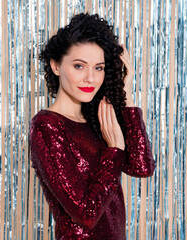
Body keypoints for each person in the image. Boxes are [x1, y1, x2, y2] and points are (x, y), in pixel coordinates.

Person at [30, 13, 155, 240]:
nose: (91, 78)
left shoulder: (97, 118)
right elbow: (86, 213)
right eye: (79, 66)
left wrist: (124, 96)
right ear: (56, 66)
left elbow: (141, 167)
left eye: (99, 68)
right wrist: (115, 148)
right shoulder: (47, 126)